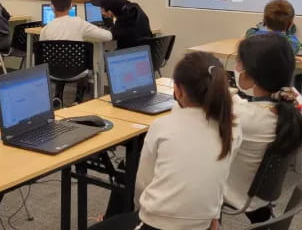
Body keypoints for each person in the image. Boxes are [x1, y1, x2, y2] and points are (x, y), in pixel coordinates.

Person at [90, 52, 242, 230]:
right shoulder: (232, 128)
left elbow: (142, 187)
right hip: (203, 223)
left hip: (155, 224)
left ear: (178, 90)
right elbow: (217, 179)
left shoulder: (162, 126)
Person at [225, 33, 302, 223]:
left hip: (235, 193)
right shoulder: (295, 103)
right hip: (262, 193)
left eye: (239, 64)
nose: (236, 69)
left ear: (253, 75)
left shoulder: (244, 117)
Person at [40, 0, 112, 104]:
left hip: (53, 73)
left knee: (60, 60)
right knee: (78, 63)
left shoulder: (45, 29)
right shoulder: (79, 23)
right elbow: (108, 36)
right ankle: (78, 99)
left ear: (52, 6)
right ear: (71, 6)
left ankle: (57, 96)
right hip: (77, 72)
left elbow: (43, 56)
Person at [89, 0, 153, 49]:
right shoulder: (136, 8)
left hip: (127, 57)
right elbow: (118, 1)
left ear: (110, 11)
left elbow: (109, 34)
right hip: (145, 56)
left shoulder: (122, 24)